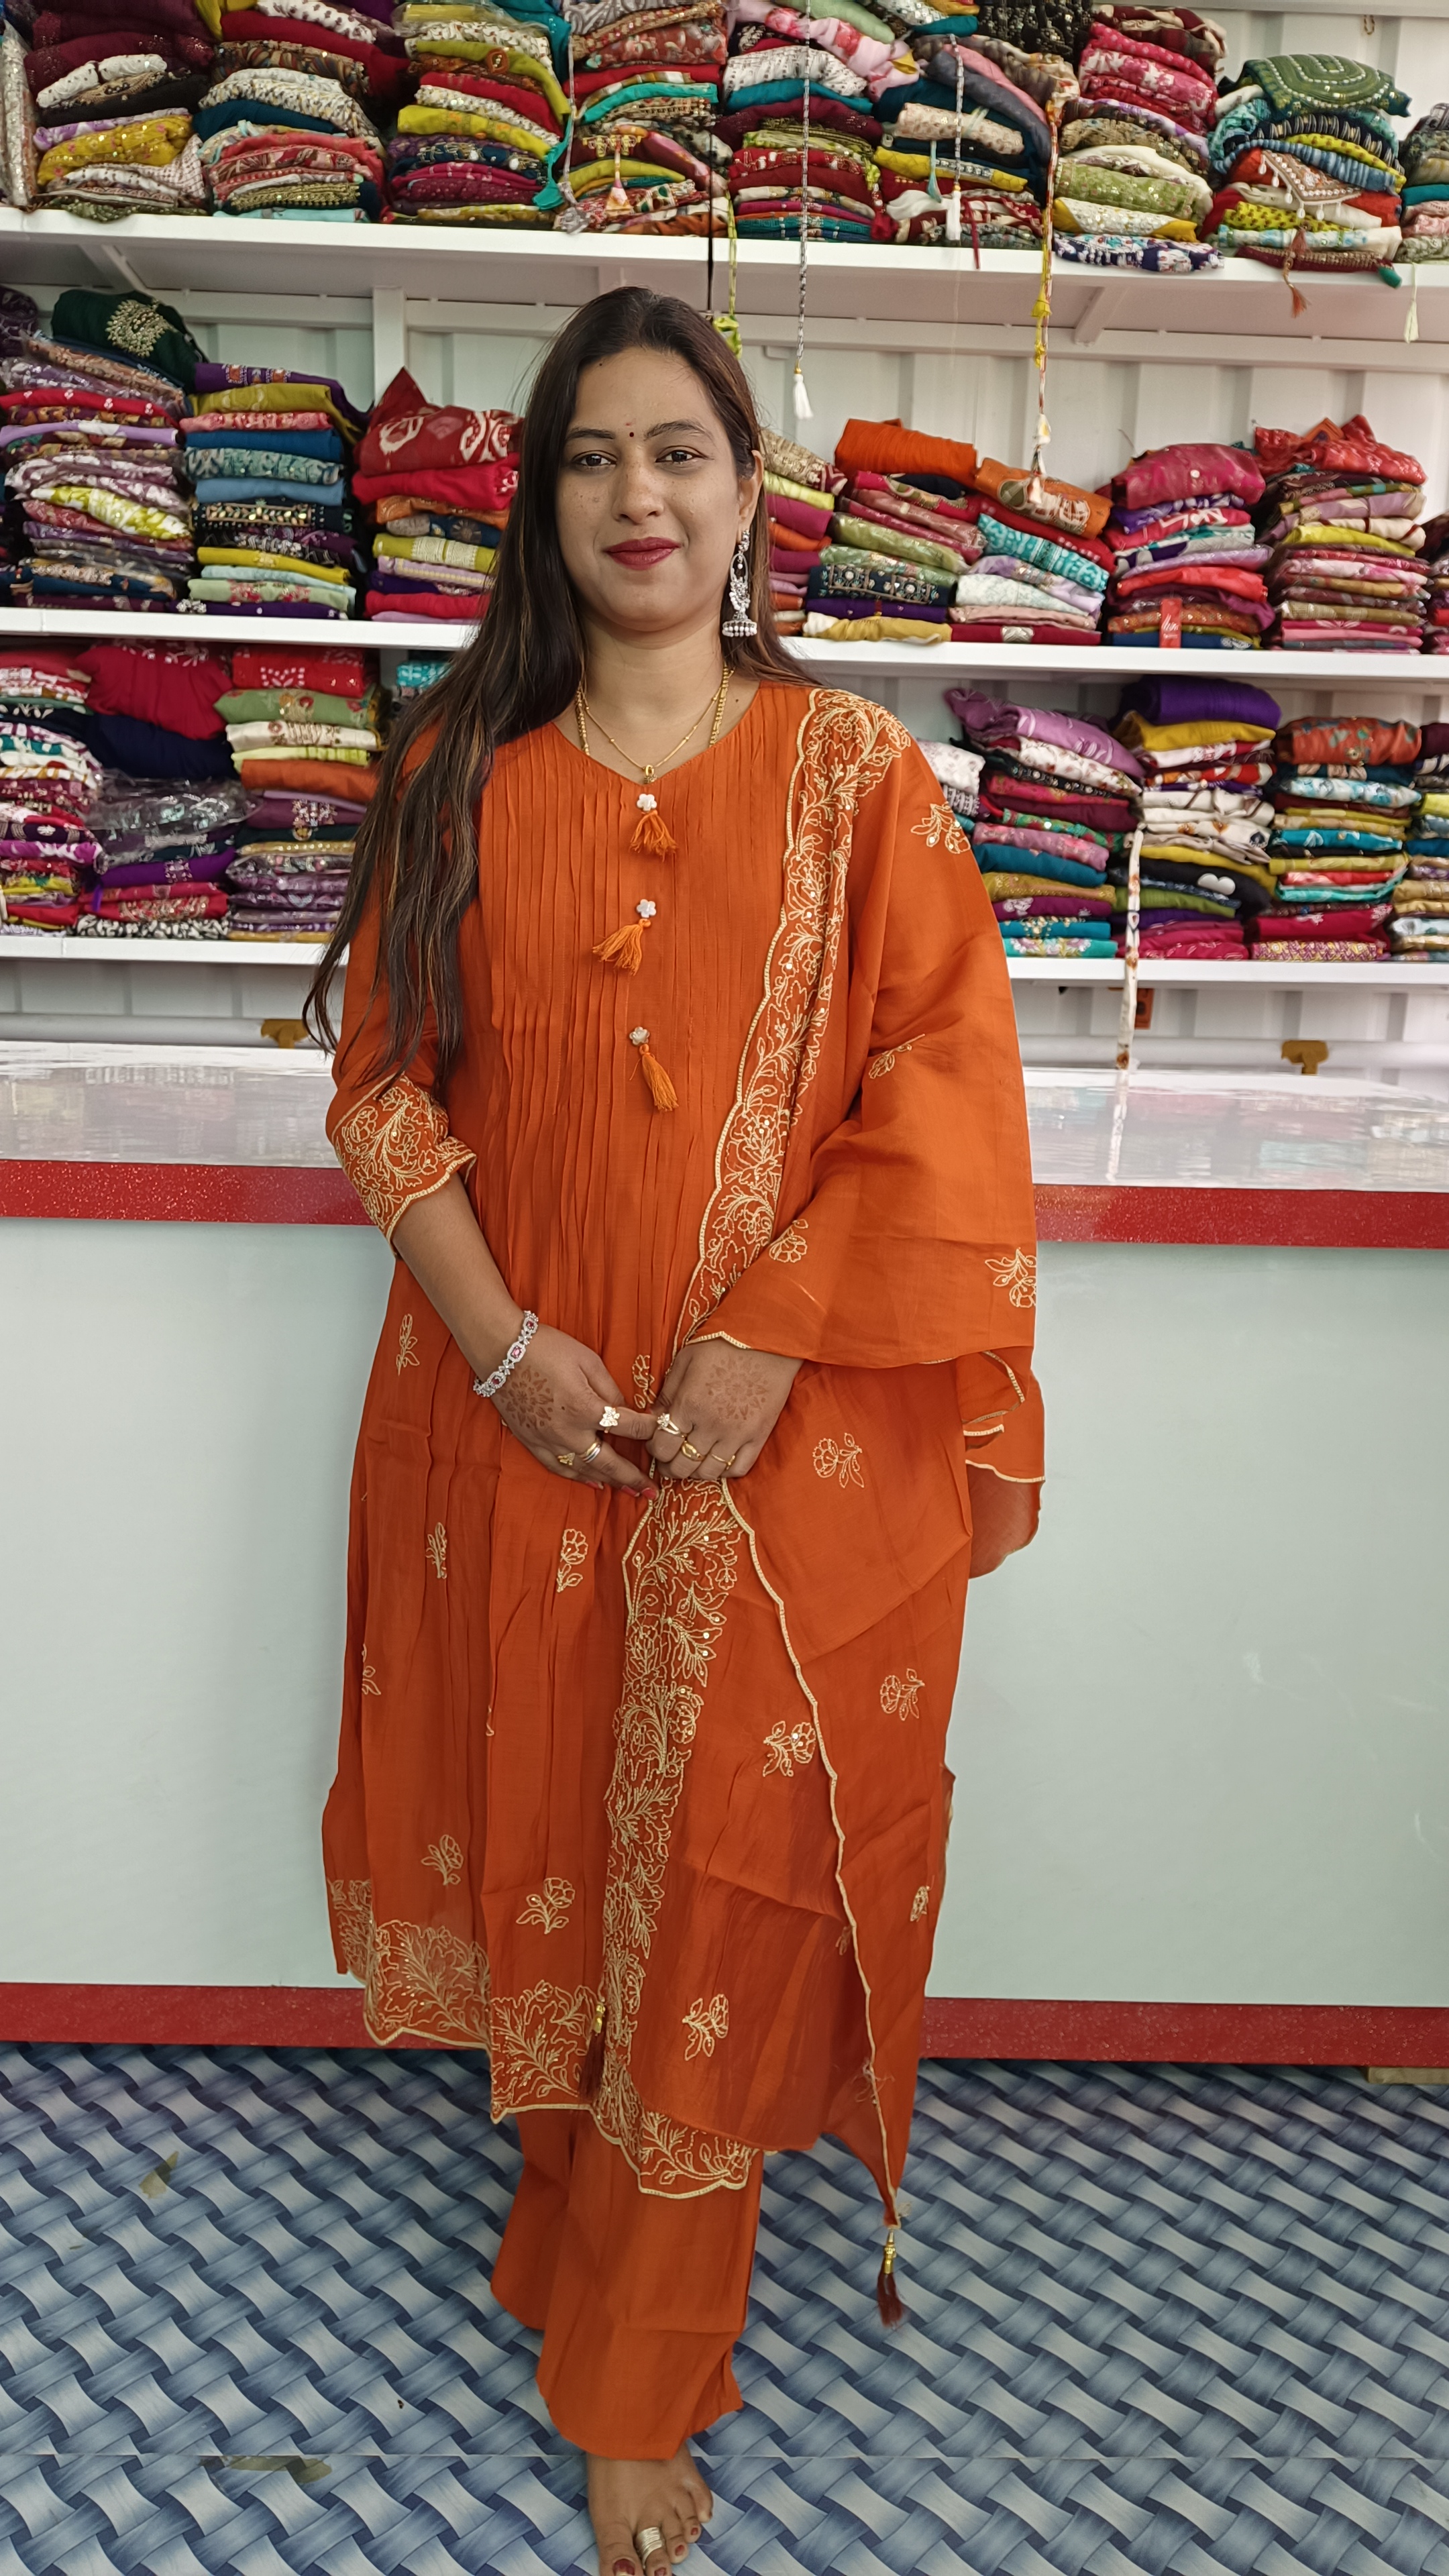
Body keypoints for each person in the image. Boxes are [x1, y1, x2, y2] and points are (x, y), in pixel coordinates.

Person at [309, 285, 1043, 2576]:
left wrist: (777, 1338)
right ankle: (571, 2231)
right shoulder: (458, 771)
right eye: (591, 455)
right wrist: (510, 1351)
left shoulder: (858, 780)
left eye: (680, 452)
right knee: (551, 1843)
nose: (637, 494)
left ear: (747, 499)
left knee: (712, 1891)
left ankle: (638, 2378)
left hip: (773, 1471)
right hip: (517, 1438)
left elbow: (946, 1098)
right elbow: (383, 1096)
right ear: (542, 505)